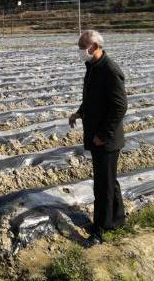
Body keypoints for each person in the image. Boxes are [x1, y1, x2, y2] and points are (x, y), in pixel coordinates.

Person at [68, 30, 127, 247]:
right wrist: (79, 113)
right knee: (110, 181)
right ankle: (117, 219)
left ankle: (99, 230)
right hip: (98, 137)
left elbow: (120, 106)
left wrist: (103, 135)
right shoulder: (93, 68)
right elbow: (92, 99)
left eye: (82, 48)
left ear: (93, 47)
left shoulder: (110, 70)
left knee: (103, 186)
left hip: (107, 140)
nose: (80, 53)